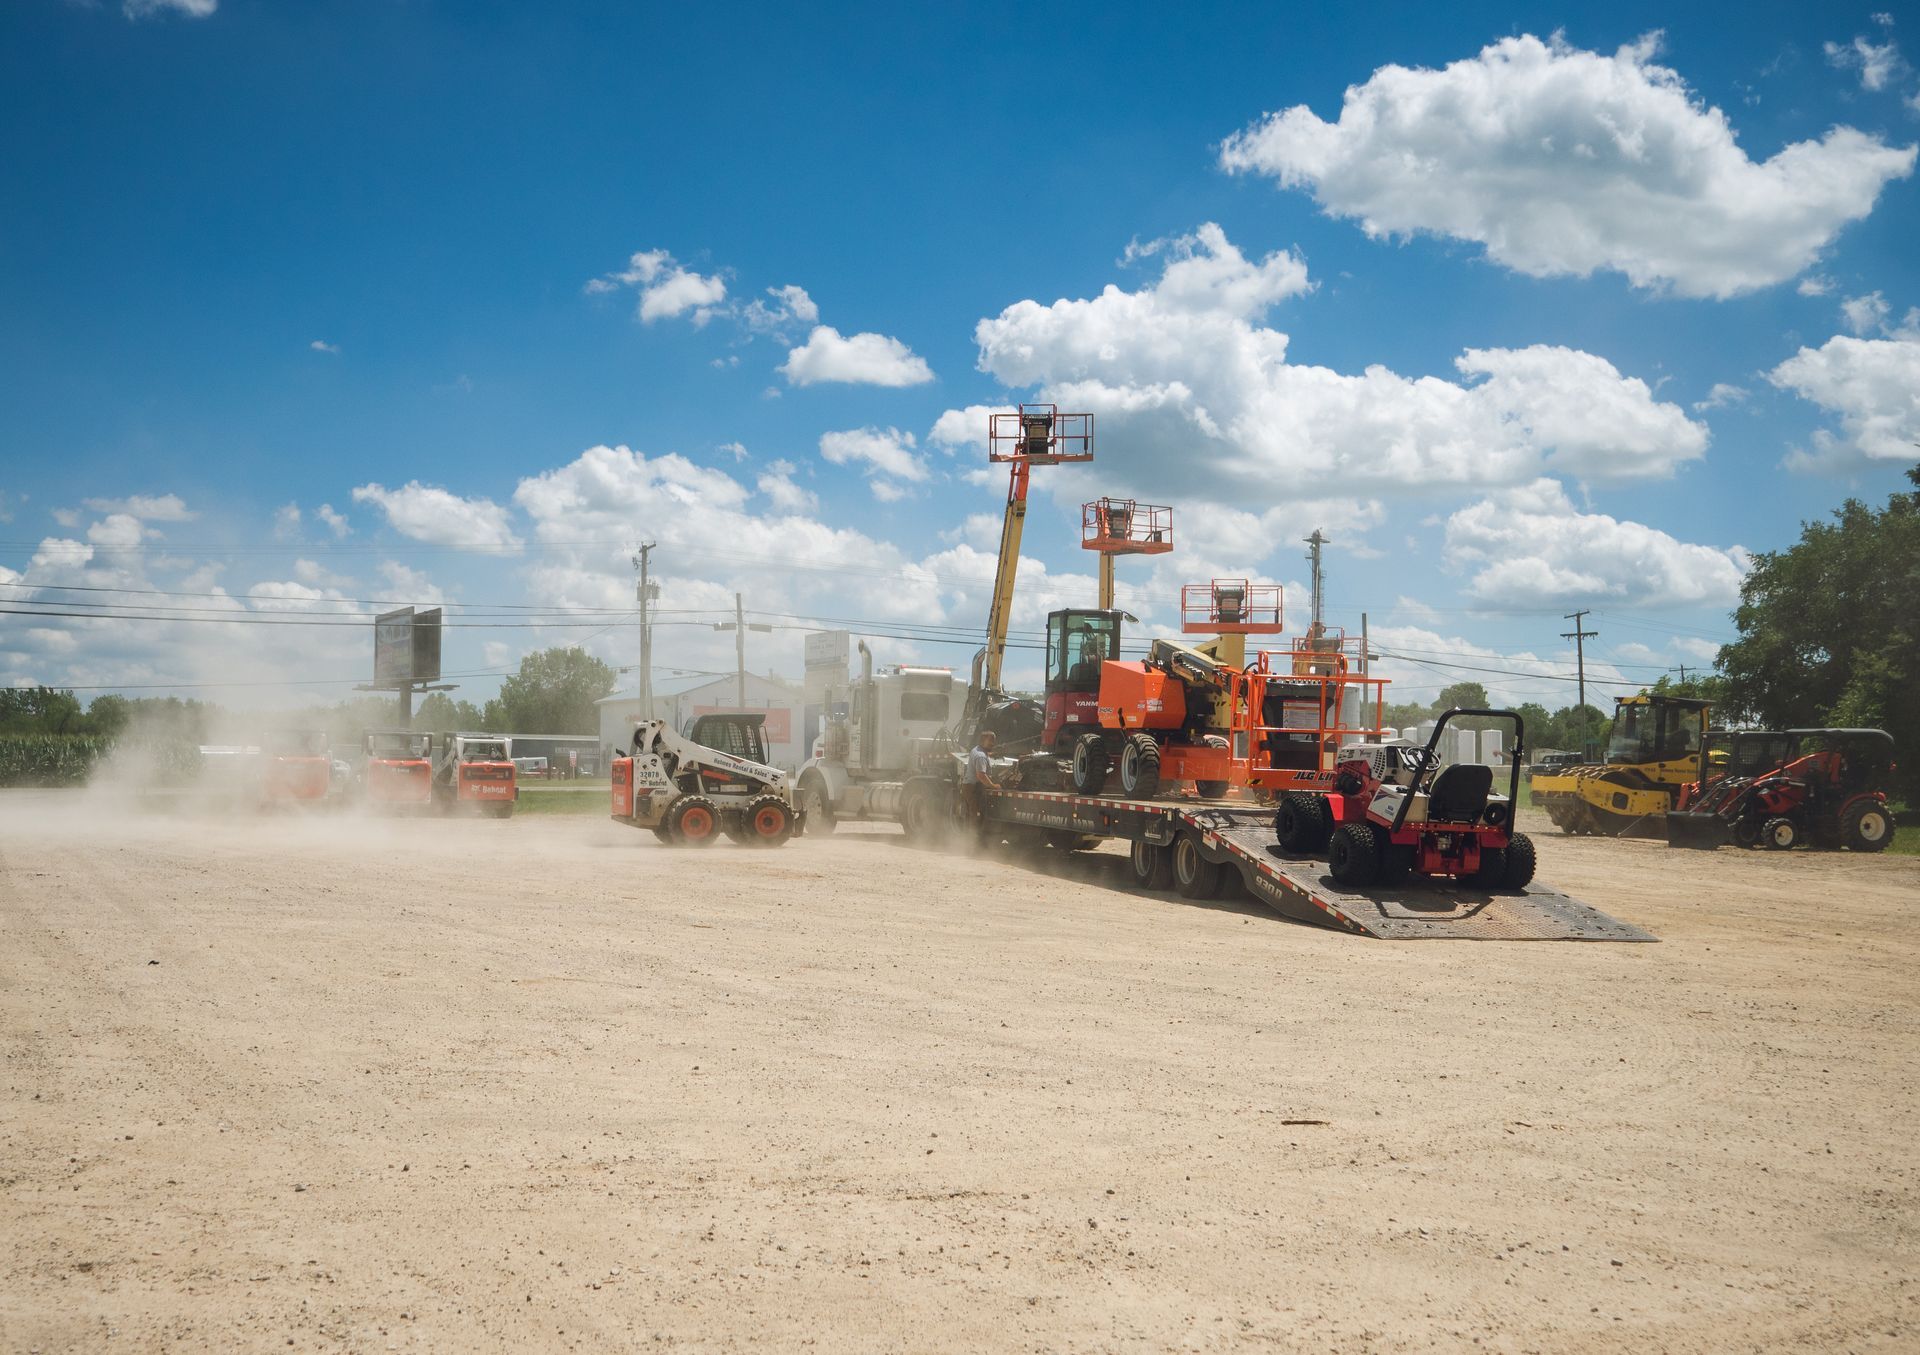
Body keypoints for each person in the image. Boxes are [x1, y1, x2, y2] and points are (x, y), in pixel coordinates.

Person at [964, 729, 1001, 820]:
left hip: (970, 787)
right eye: (990, 741)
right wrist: (993, 786)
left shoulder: (976, 749)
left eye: (993, 741)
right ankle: (973, 834)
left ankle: (972, 832)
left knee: (972, 814)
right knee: (976, 815)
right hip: (973, 789)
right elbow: (981, 775)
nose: (992, 744)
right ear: (982, 741)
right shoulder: (981, 756)